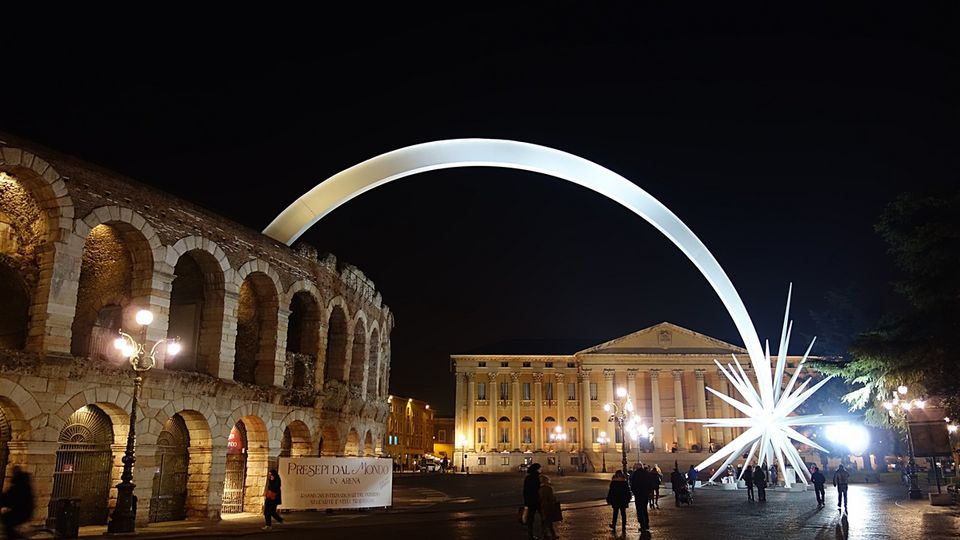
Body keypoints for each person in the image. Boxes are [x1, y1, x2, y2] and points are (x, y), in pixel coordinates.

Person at [0, 466, 34, 539]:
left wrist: (3, 501)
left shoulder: (19, 484)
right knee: (7, 522)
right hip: (25, 511)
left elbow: (10, 497)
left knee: (6, 520)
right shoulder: (23, 482)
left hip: (22, 512)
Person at [606, 470, 631, 535]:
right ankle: (624, 525)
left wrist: (609, 499)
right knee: (623, 513)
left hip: (616, 499)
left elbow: (611, 492)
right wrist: (628, 498)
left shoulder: (613, 483)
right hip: (623, 500)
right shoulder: (624, 482)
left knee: (615, 513)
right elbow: (628, 491)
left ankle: (614, 524)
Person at [522, 462, 542, 540]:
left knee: (531, 519)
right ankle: (546, 532)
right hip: (538, 501)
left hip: (530, 501)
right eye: (540, 468)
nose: (541, 469)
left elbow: (525, 491)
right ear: (536, 469)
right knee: (545, 517)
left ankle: (530, 534)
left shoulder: (528, 478)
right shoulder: (538, 478)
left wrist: (526, 503)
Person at [630, 464, 652, 531]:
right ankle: (647, 524)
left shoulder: (636, 474)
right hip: (645, 494)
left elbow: (633, 484)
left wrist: (635, 492)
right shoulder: (647, 473)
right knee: (645, 509)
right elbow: (650, 483)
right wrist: (648, 492)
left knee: (640, 510)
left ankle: (643, 525)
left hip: (638, 494)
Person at [538, 474, 560, 540]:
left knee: (544, 521)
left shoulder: (539, 488)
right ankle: (550, 534)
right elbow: (551, 498)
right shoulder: (549, 488)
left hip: (542, 506)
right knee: (548, 521)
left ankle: (545, 534)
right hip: (548, 506)